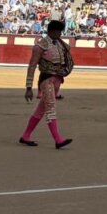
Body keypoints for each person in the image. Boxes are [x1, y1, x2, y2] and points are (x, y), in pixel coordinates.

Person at [20, 19, 74, 149]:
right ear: (50, 31)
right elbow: (32, 66)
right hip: (46, 80)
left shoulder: (61, 44)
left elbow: (68, 56)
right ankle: (58, 140)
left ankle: (25, 136)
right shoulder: (40, 46)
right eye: (57, 32)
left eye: (60, 32)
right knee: (50, 107)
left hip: (57, 80)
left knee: (41, 109)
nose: (60, 34)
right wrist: (28, 87)